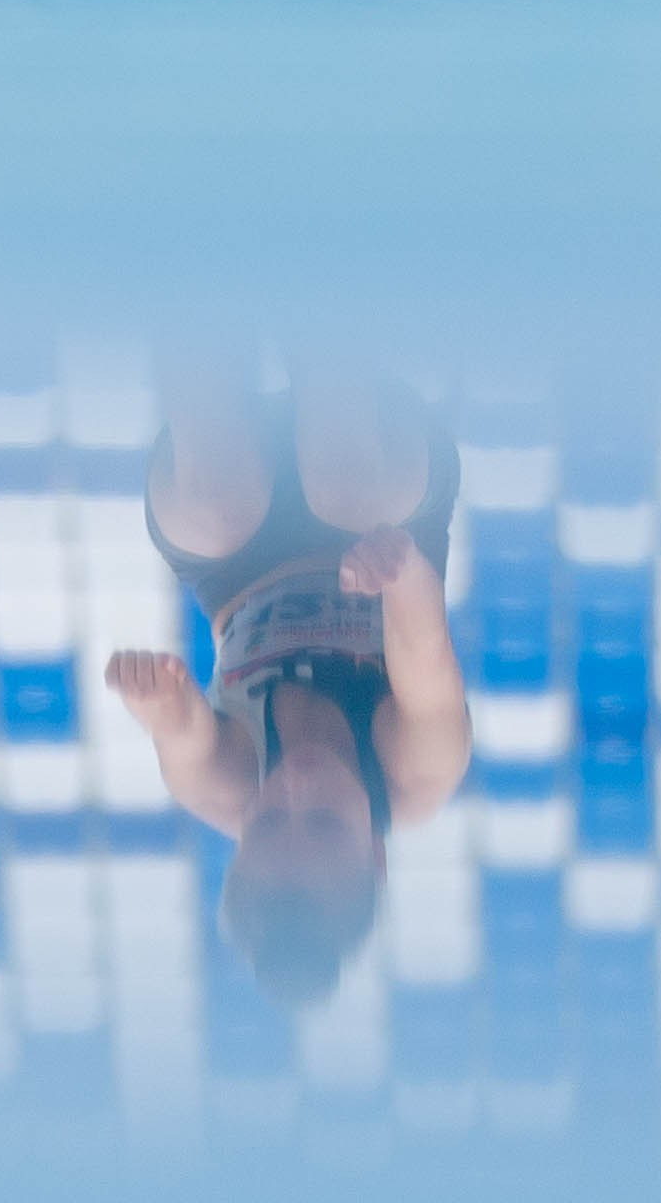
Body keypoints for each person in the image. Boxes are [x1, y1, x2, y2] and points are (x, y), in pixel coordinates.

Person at [106, 366, 469, 1007]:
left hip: (236, 563)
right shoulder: (418, 772)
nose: (296, 785)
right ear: (376, 856)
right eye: (326, 824)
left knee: (213, 497)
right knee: (349, 483)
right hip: (383, 521)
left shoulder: (217, 787)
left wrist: (160, 704)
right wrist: (397, 566)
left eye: (271, 822)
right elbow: (422, 646)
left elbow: (183, 736)